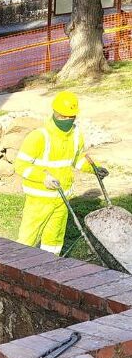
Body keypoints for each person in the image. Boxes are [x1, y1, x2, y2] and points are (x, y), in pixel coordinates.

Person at [14, 90, 109, 255]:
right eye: (63, 116)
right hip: (39, 199)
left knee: (54, 239)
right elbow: (21, 165)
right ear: (55, 112)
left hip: (62, 198)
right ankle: (17, 263)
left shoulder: (76, 135)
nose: (67, 120)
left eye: (70, 117)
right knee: (28, 237)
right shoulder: (39, 137)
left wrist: (94, 169)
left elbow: (77, 159)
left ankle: (51, 265)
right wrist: (43, 178)